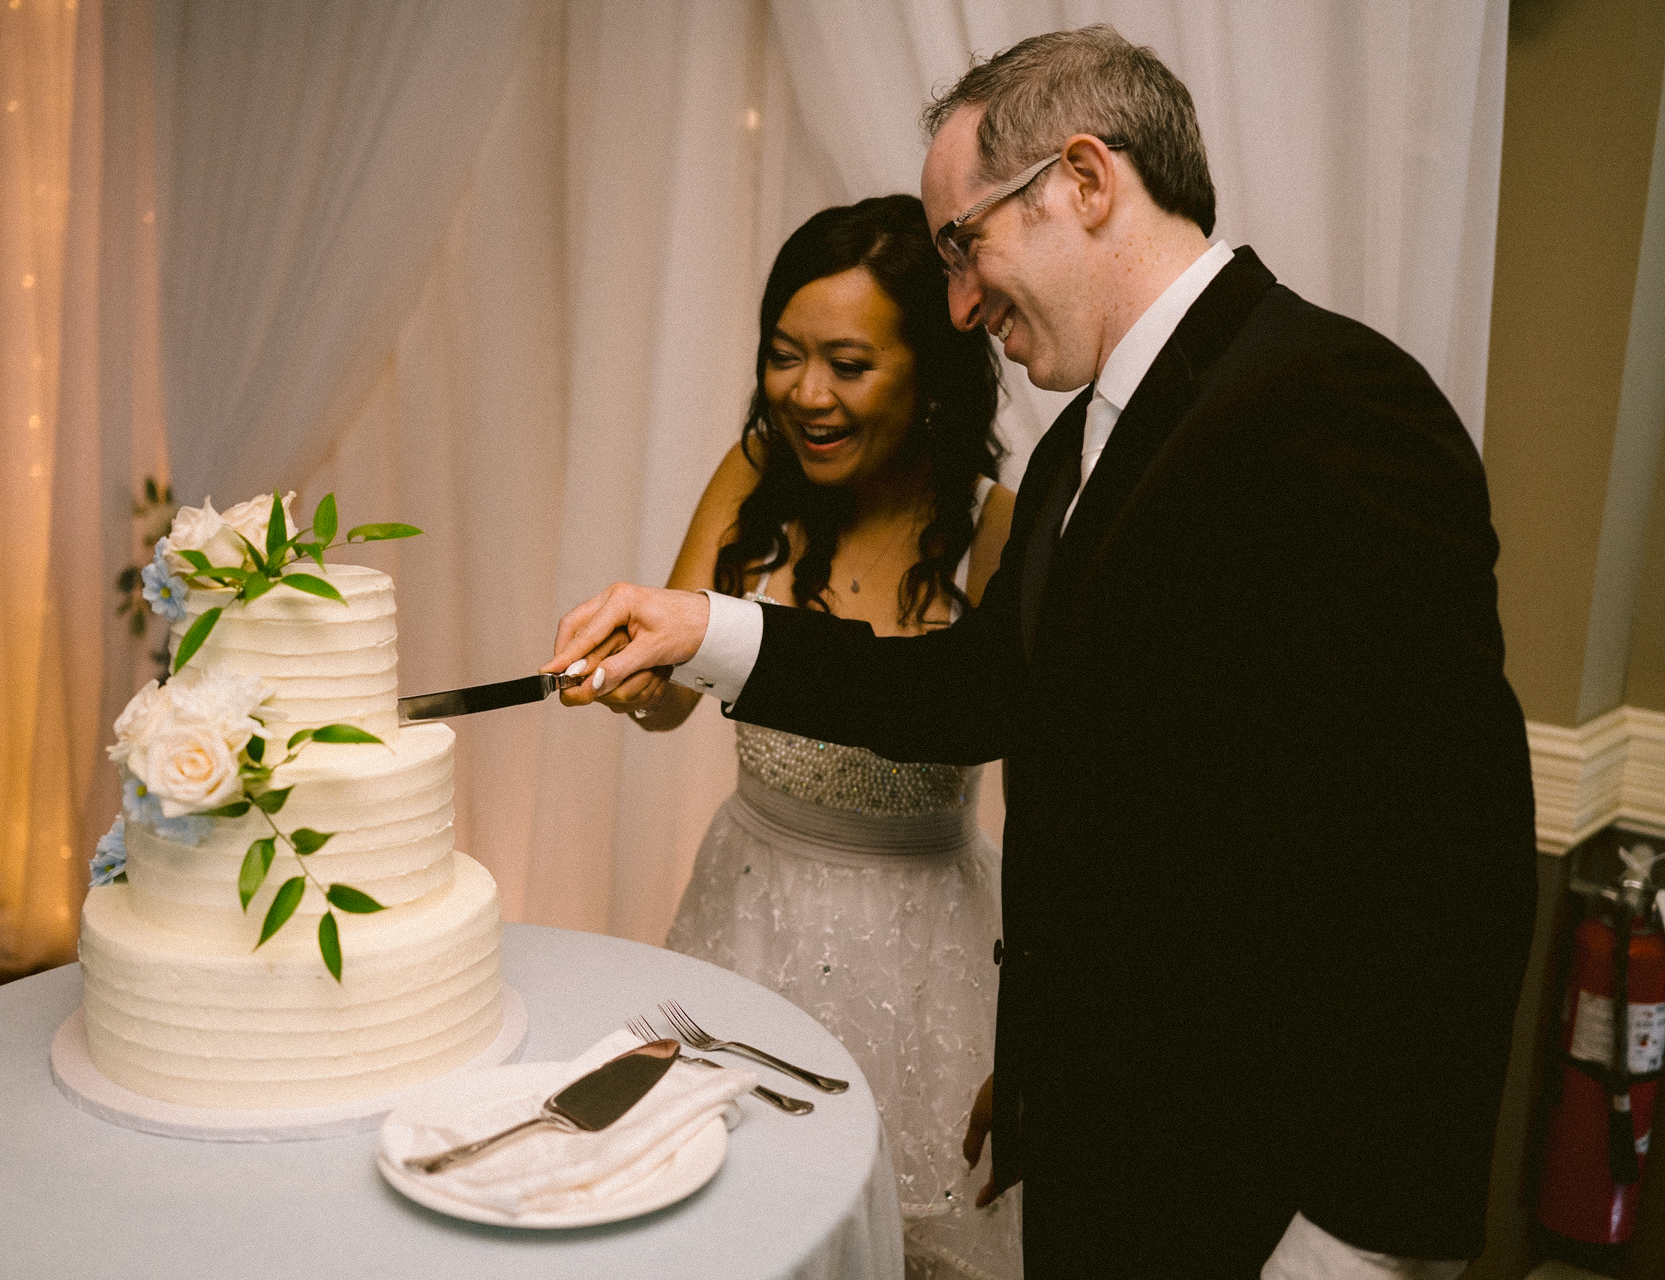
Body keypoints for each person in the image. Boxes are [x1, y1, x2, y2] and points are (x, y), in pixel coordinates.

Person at [548, 25, 1536, 1280]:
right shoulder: (1082, 444)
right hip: (1109, 1144)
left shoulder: (1330, 401)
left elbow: (1450, 860)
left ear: (1083, 178)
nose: (958, 301)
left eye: (965, 243)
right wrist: (710, 628)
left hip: (1262, 1180)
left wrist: (1369, 1233)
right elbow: (980, 696)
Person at [607, 194, 1020, 1279]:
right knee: (719, 1220)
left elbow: (1047, 769)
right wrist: (621, 673)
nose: (805, 392)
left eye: (847, 362)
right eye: (785, 356)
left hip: (930, 954)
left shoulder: (995, 525)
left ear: (931, 371)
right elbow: (668, 696)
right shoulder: (754, 475)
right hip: (746, 909)